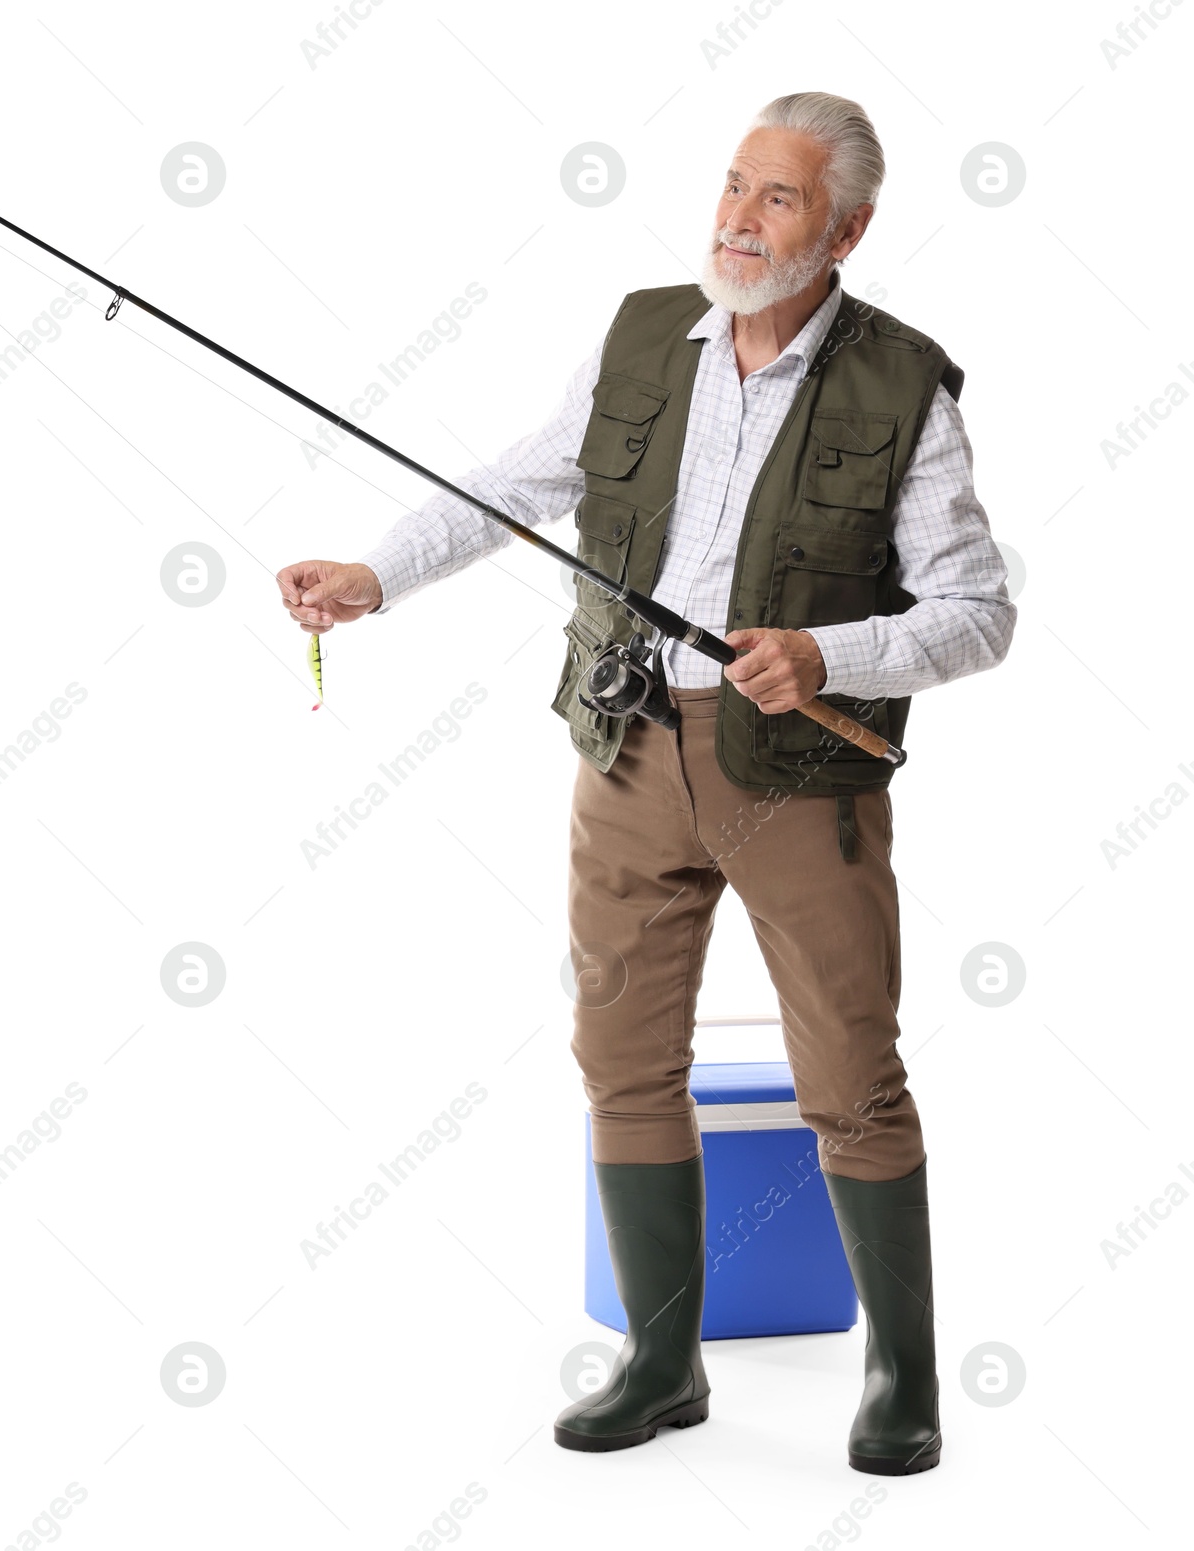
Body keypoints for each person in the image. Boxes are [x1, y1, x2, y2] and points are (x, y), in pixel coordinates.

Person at [275, 91, 1014, 1476]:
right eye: (735, 184)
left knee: (850, 1075)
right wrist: (377, 576)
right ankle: (662, 1361)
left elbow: (979, 609)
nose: (739, 218)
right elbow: (517, 480)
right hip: (626, 753)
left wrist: (828, 652)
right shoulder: (639, 336)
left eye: (779, 199)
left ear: (848, 227)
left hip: (800, 776)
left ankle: (905, 1383)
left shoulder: (904, 383)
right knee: (620, 1060)